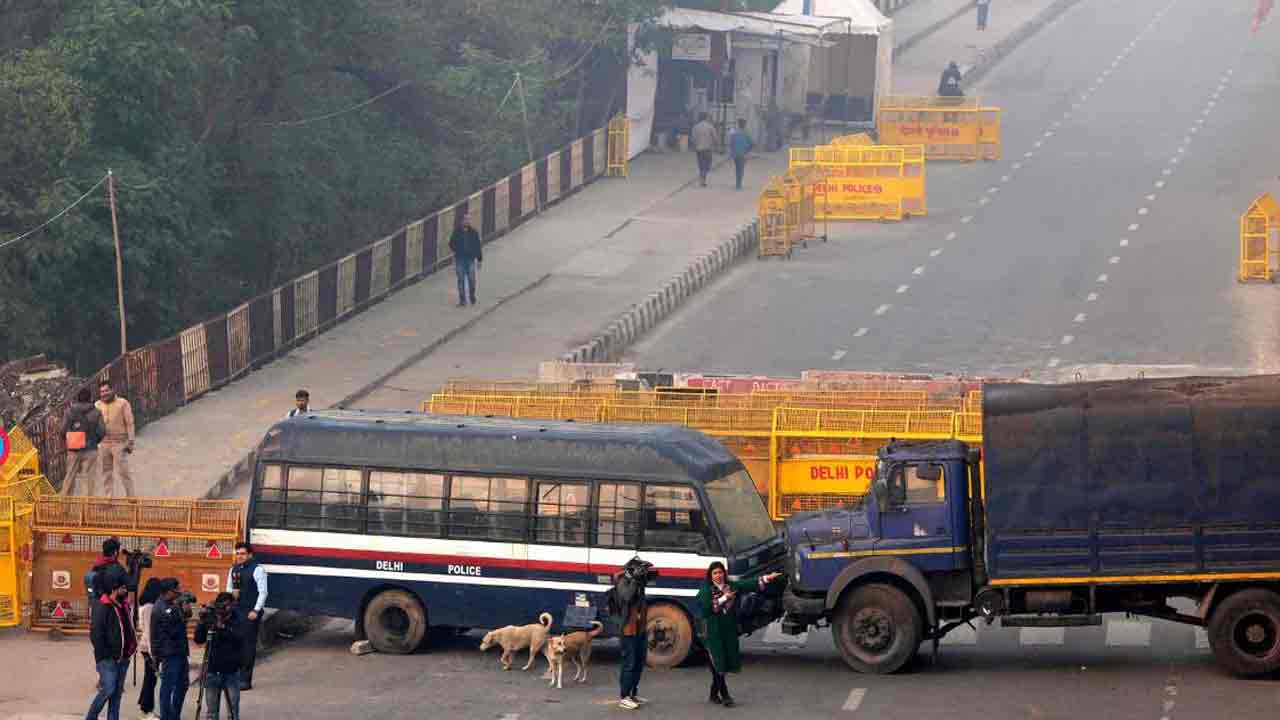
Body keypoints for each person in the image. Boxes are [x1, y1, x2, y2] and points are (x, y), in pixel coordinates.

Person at [695, 563, 784, 707]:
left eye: (720, 572)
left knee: (725, 660)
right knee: (718, 661)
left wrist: (768, 578)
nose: (719, 576)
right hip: (712, 631)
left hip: (728, 630)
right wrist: (725, 598)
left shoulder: (730, 585)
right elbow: (707, 608)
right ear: (710, 575)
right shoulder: (706, 590)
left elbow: (749, 584)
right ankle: (725, 695)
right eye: (715, 573)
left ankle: (713, 694)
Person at [87, 574, 136, 720]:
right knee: (108, 689)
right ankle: (91, 717)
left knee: (116, 695)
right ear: (114, 589)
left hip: (124, 657)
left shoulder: (123, 605)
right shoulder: (103, 606)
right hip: (108, 658)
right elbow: (96, 634)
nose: (126, 591)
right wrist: (106, 656)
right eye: (123, 588)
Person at [194, 593, 244, 720]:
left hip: (231, 671)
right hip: (212, 670)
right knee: (211, 712)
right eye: (223, 606)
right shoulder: (210, 618)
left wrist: (223, 627)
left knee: (233, 710)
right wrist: (202, 622)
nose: (226, 609)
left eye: (228, 606)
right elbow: (199, 640)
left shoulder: (237, 619)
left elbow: (239, 639)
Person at [228, 542, 268, 691]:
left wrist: (256, 611)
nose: (239, 556)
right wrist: (233, 596)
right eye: (237, 554)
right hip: (236, 611)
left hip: (250, 613)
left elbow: (263, 592)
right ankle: (235, 677)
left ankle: (245, 680)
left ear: (250, 555)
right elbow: (229, 589)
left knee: (248, 646)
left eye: (242, 554)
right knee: (236, 645)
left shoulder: (258, 570)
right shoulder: (233, 569)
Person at [152, 578, 191, 720]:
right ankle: (167, 716)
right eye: (177, 590)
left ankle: (174, 715)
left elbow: (184, 618)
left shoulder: (171, 604)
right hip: (170, 653)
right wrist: (180, 610)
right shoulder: (161, 608)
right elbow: (173, 630)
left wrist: (184, 610)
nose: (180, 592)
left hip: (179, 651)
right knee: (168, 687)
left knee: (183, 685)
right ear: (169, 592)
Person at [95, 379, 135, 497]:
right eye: (102, 391)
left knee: (124, 472)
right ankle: (108, 498)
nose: (104, 393)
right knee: (106, 473)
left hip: (119, 443)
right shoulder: (97, 405)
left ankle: (131, 497)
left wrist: (131, 441)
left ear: (112, 390)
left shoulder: (123, 403)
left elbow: (130, 422)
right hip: (104, 443)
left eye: (106, 390)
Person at [61, 387, 105, 496]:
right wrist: (95, 441)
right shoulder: (96, 412)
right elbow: (102, 431)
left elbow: (62, 430)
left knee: (69, 477)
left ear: (77, 398)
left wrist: (70, 440)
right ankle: (86, 508)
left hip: (73, 449)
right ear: (90, 398)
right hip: (91, 448)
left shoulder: (69, 411)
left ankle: (64, 507)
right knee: (88, 478)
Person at [137, 578, 163, 720]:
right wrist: (154, 654)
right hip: (149, 647)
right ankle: (146, 710)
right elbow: (149, 631)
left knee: (150, 678)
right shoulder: (149, 608)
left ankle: (144, 706)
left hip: (148, 646)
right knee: (150, 679)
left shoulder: (148, 606)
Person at [448, 211, 482, 307]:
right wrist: (456, 250)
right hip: (460, 260)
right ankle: (462, 300)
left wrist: (479, 260)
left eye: (469, 219)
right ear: (462, 221)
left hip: (470, 259)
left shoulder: (474, 232)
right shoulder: (457, 232)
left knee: (472, 280)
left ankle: (472, 296)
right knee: (461, 280)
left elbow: (478, 246)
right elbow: (451, 243)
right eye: (465, 219)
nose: (467, 221)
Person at [86, 538, 129, 608]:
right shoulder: (116, 568)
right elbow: (129, 584)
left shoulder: (97, 565)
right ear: (115, 552)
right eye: (118, 550)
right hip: (111, 607)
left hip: (96, 606)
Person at [691, 113, 719, 187]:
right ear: (706, 118)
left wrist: (695, 145)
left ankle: (702, 178)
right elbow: (715, 138)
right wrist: (716, 145)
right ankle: (703, 179)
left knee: (701, 164)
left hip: (699, 149)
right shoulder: (710, 127)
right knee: (708, 165)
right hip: (708, 149)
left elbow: (693, 139)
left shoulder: (695, 127)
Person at [728, 119, 754, 191]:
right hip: (743, 154)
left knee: (737, 168)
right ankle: (739, 183)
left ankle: (738, 183)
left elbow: (731, 144)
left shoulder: (734, 133)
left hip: (736, 154)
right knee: (741, 168)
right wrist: (747, 150)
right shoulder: (747, 133)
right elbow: (752, 143)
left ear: (738, 124)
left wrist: (731, 152)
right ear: (744, 125)